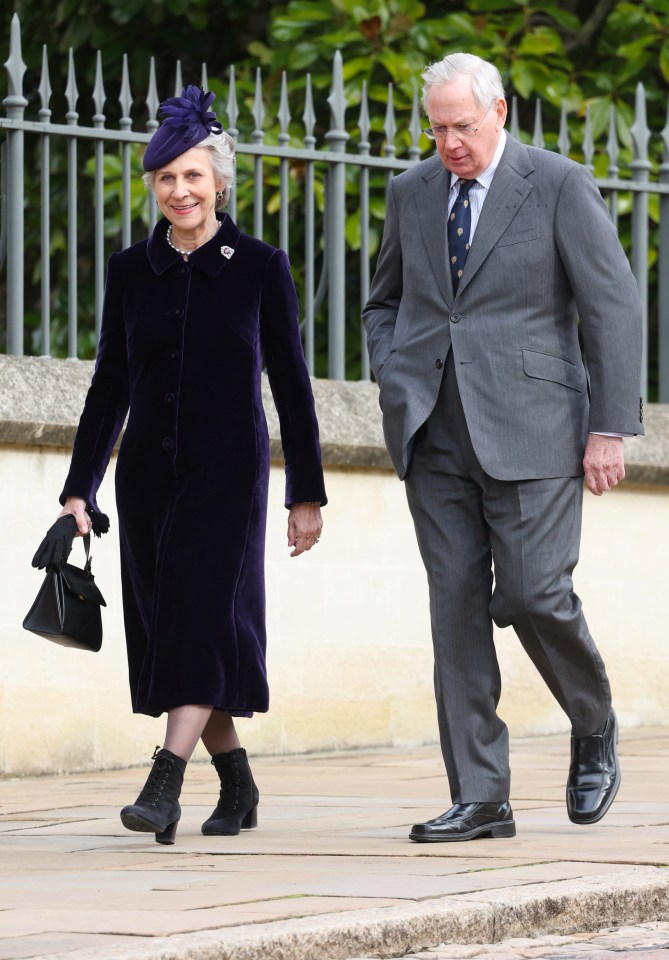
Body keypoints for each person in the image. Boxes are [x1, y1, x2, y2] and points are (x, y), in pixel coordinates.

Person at [33, 86, 326, 845]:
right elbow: (109, 386)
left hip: (229, 476)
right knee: (175, 628)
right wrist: (79, 487)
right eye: (165, 177)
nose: (180, 190)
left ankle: (162, 783)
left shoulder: (260, 267)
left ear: (219, 182)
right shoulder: (132, 271)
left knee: (199, 617)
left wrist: (306, 494)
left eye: (193, 176)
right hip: (148, 480)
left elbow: (291, 384)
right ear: (153, 186)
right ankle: (237, 783)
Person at [363, 53, 643, 842]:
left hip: (536, 429)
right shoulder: (410, 193)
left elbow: (613, 307)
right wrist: (395, 375)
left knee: (529, 594)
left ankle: (592, 721)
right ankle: (481, 796)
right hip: (433, 432)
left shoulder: (555, 183)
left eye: (462, 126)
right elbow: (382, 302)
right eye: (437, 127)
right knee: (453, 616)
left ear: (499, 113)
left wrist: (607, 427)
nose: (449, 142)